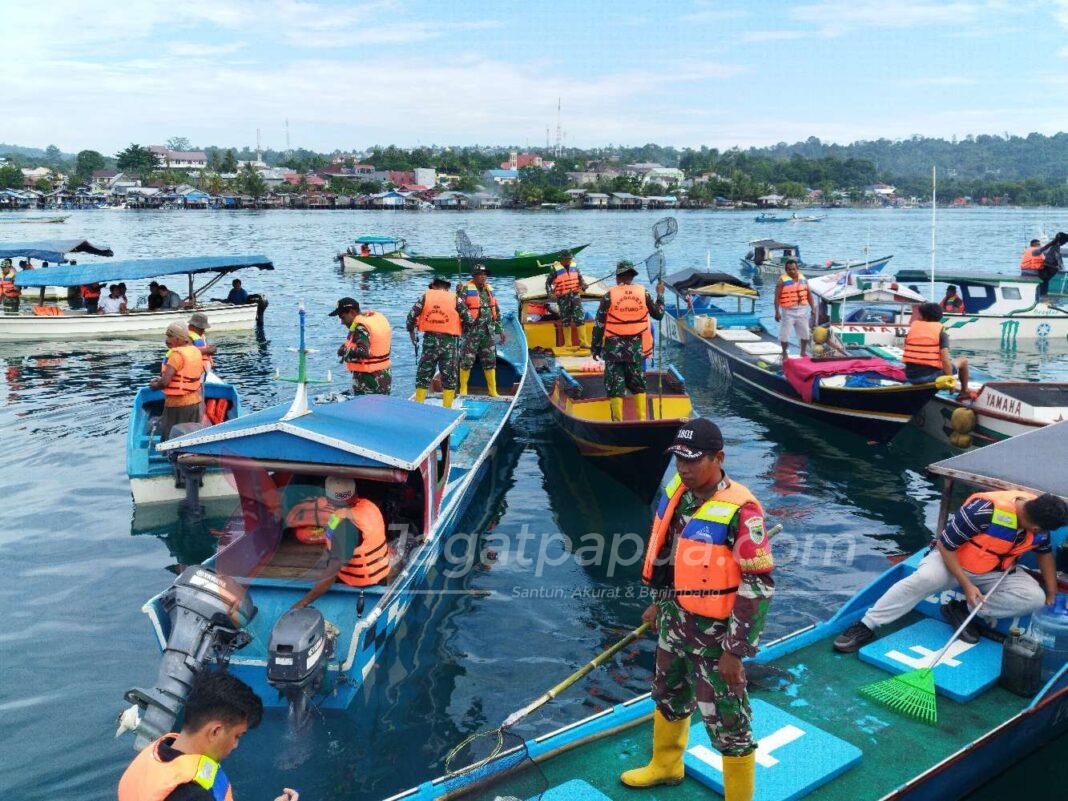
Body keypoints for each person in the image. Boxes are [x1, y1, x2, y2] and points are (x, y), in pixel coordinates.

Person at [622, 419, 773, 800]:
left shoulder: (743, 510)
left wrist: (735, 652)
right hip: (675, 619)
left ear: (718, 458)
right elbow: (669, 556)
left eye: (693, 461)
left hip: (717, 636)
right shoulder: (679, 492)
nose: (684, 469)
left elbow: (758, 586)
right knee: (668, 693)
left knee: (728, 720)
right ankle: (666, 765)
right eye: (678, 461)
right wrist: (659, 603)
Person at [834, 491, 1067, 653]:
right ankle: (866, 625)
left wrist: (1051, 593)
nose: (1041, 534)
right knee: (924, 578)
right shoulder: (984, 511)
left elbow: (1044, 554)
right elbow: (946, 545)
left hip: (995, 571)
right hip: (951, 562)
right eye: (1042, 531)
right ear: (1036, 525)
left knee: (1034, 598)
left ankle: (962, 609)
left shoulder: (1038, 528)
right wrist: (967, 584)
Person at [117, 670, 297, 801]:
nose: (235, 745)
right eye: (237, 736)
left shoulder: (158, 751)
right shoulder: (192, 795)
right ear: (215, 731)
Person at [290, 477, 391, 608]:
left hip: (358, 585)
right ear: (355, 493)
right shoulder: (369, 506)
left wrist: (302, 603)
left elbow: (331, 573)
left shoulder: (344, 526)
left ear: (329, 499)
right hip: (381, 577)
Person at [590, 260, 664, 422]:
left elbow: (599, 324)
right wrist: (660, 294)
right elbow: (658, 314)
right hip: (635, 351)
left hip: (613, 352)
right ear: (632, 277)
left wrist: (595, 348)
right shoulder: (643, 293)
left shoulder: (609, 295)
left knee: (615, 387)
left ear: (617, 278)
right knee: (638, 385)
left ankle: (617, 422)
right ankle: (642, 421)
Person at [407, 277, 472, 409]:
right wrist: (459, 328)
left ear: (434, 286)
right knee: (449, 377)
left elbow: (411, 317)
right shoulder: (455, 298)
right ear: (447, 287)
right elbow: (469, 319)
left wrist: (412, 333)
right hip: (449, 343)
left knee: (424, 374)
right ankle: (447, 408)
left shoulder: (425, 297)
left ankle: (418, 405)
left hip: (429, 341)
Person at [902, 302, 970, 398]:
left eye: (920, 314)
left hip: (910, 376)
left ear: (924, 316)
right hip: (927, 378)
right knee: (963, 360)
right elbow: (945, 360)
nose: (918, 317)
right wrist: (951, 384)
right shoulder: (941, 333)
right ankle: (964, 392)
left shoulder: (912, 330)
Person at [150, 321, 205, 439]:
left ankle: (170, 455)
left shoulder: (176, 356)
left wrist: (154, 385)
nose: (167, 340)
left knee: (171, 436)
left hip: (177, 404)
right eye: (166, 336)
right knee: (191, 436)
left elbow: (165, 382)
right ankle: (188, 455)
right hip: (195, 402)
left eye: (170, 336)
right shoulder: (195, 351)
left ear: (180, 338)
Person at [458, 264, 505, 397]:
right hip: (471, 332)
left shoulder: (489, 290)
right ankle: (463, 390)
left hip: (487, 332)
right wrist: (469, 320)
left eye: (485, 274)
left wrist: (500, 329)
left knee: (490, 360)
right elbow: (460, 307)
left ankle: (493, 391)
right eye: (480, 274)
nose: (483, 276)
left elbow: (496, 309)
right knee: (466, 360)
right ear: (474, 276)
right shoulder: (466, 289)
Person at [330, 297, 392, 395]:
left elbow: (363, 352)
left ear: (352, 313)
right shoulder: (373, 321)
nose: (342, 322)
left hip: (369, 381)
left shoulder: (360, 327)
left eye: (342, 317)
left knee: (365, 409)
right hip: (384, 377)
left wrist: (344, 351)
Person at [773, 257, 817, 359]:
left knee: (805, 333)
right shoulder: (781, 281)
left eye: (793, 269)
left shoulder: (803, 279)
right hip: (788, 311)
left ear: (797, 269)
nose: (792, 271)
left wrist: (813, 308)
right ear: (786, 270)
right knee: (785, 334)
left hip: (801, 310)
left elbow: (809, 295)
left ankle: (803, 352)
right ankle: (784, 353)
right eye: (789, 269)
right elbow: (777, 297)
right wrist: (777, 312)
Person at [545, 249, 588, 348]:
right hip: (563, 298)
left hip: (575, 296)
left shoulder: (575, 266)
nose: (569, 260)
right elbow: (548, 283)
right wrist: (550, 293)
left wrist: (583, 285)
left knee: (579, 317)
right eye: (567, 258)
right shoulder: (555, 269)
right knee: (565, 319)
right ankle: (567, 343)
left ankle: (584, 342)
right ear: (561, 259)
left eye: (570, 258)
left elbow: (580, 279)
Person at [1021, 232, 1067, 296]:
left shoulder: (1028, 250)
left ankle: (1042, 294)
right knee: (1045, 281)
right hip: (1032, 273)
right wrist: (1053, 242)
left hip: (1025, 272)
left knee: (1045, 278)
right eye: (1039, 244)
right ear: (1035, 245)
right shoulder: (1035, 251)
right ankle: (1043, 295)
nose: (1040, 245)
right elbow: (1044, 248)